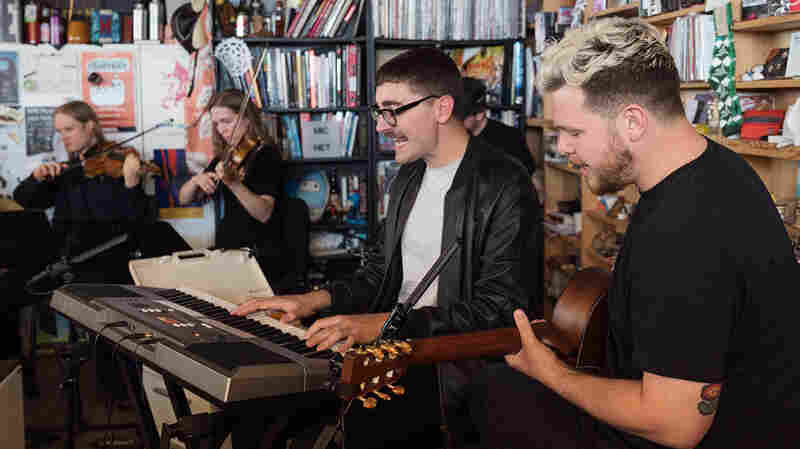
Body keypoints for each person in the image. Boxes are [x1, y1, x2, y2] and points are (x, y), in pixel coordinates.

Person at [496, 17, 800, 449]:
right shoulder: (718, 167)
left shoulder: (683, 230)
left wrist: (552, 373)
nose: (562, 146)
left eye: (574, 131)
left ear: (633, 122)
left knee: (495, 400)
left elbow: (675, 425)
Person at [232, 48, 543, 449]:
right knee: (257, 403)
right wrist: (310, 302)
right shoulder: (407, 180)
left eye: (393, 110)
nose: (382, 126)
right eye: (380, 112)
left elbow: (499, 308)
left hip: (447, 368)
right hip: (391, 347)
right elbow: (377, 275)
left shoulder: (505, 185)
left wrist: (380, 325)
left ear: (442, 108)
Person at [13, 100, 155, 406]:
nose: (63, 137)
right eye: (59, 131)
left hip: (108, 264)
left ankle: (121, 398)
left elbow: (135, 223)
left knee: (107, 325)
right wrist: (37, 177)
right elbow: (25, 200)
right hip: (67, 265)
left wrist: (131, 184)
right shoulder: (68, 171)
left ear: (90, 126)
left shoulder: (119, 162)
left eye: (69, 129)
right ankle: (20, 386)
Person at [178, 89, 286, 286]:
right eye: (216, 123)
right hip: (229, 249)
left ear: (247, 118)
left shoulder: (266, 154)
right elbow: (184, 199)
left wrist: (234, 184)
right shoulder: (227, 156)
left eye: (226, 121)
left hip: (257, 252)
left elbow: (264, 213)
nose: (221, 129)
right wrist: (196, 181)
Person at [461, 76, 537, 177]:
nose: (453, 121)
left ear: (479, 114)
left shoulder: (510, 139)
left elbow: (525, 177)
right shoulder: (454, 137)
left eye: (460, 117)